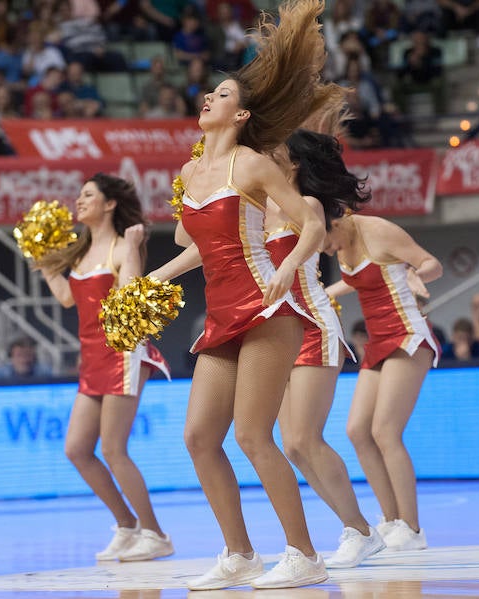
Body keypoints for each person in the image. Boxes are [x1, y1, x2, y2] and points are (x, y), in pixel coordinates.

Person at [148, 0, 340, 589]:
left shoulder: (253, 165)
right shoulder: (191, 175)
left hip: (265, 307)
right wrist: (159, 277)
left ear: (242, 113)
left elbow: (310, 223)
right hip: (222, 313)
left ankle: (303, 555)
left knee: (253, 435)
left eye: (223, 94)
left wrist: (290, 272)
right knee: (199, 438)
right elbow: (198, 241)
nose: (209, 98)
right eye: (210, 93)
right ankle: (239, 553)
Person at [38, 174, 174, 563]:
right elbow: (67, 298)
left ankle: (156, 533)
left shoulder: (120, 247)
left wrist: (133, 249)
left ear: (110, 204)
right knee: (77, 449)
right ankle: (127, 525)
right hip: (91, 359)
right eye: (78, 195)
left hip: (123, 352)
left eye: (88, 195)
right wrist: (45, 263)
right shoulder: (81, 253)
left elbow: (131, 296)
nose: (78, 201)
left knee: (114, 449)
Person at [268, 128, 386, 568]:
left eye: (276, 149)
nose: (267, 153)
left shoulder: (308, 205)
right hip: (276, 329)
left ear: (294, 163)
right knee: (292, 446)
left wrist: (287, 264)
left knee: (305, 437)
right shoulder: (258, 206)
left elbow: (312, 236)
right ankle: (356, 528)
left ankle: (359, 529)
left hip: (312, 323)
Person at [325, 205, 442, 552]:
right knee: (357, 431)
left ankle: (413, 528)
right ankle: (392, 521)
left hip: (407, 333)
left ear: (335, 221)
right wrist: (324, 295)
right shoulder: (342, 239)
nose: (329, 251)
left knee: (385, 431)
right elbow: (356, 277)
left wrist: (419, 274)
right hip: (376, 341)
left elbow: (431, 263)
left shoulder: (378, 230)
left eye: (327, 243)